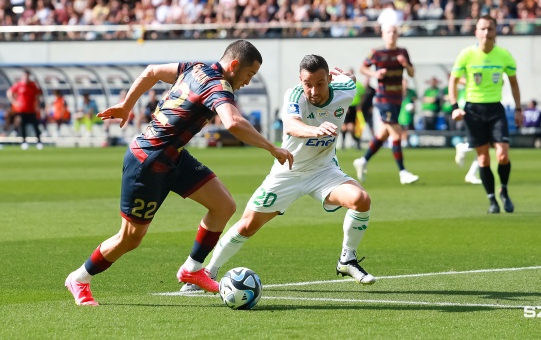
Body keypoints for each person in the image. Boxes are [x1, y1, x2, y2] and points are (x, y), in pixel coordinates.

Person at [64, 40, 294, 306]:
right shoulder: (218, 85)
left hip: (174, 157)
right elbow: (233, 122)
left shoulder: (194, 68)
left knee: (223, 205)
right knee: (130, 238)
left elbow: (151, 71)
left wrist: (127, 105)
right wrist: (271, 148)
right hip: (147, 162)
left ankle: (193, 269)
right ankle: (79, 278)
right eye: (249, 74)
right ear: (233, 66)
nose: (247, 82)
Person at [180, 55, 375, 292]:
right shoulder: (295, 95)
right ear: (301, 81)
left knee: (361, 200)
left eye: (320, 84)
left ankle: (347, 259)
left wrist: (348, 76)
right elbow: (291, 125)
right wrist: (315, 130)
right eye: (307, 83)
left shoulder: (345, 89)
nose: (313, 90)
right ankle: (207, 271)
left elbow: (350, 80)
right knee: (248, 225)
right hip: (288, 172)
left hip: (323, 170)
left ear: (330, 79)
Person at [449, 15, 523, 214]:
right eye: (482, 29)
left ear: (495, 32)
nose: (486, 33)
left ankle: (504, 191)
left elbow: (514, 83)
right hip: (473, 110)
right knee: (483, 160)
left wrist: (518, 109)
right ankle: (492, 200)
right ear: (476, 32)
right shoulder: (466, 55)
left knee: (502, 155)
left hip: (495, 109)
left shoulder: (504, 55)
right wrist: (455, 106)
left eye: (489, 29)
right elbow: (453, 81)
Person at [353, 23, 419, 185]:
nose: (392, 34)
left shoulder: (402, 52)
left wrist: (406, 64)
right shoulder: (377, 52)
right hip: (383, 99)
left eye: (394, 32)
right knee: (396, 133)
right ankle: (403, 172)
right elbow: (363, 68)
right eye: (389, 32)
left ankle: (363, 160)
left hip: (397, 99)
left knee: (383, 134)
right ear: (383, 34)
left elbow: (411, 73)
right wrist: (375, 73)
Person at [6, 70, 44, 150]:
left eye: (27, 76)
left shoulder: (33, 85)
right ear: (23, 77)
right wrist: (14, 102)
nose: (26, 78)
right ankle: (24, 142)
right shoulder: (19, 85)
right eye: (25, 76)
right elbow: (9, 92)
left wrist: (37, 105)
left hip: (31, 110)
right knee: (22, 126)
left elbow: (38, 96)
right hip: (22, 110)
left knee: (35, 126)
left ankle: (39, 142)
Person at [341, 68, 364, 150]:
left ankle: (357, 142)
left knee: (351, 127)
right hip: (346, 107)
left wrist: (360, 105)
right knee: (344, 127)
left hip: (354, 108)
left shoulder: (358, 85)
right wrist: (345, 106)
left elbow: (362, 95)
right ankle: (343, 144)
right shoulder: (344, 84)